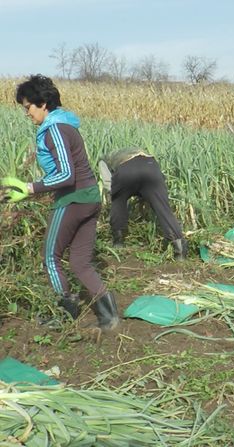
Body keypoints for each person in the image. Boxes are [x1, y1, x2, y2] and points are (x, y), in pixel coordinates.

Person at [2, 75, 120, 331]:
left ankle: (66, 314)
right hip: (89, 197)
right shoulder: (67, 125)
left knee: (50, 258)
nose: (27, 114)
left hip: (72, 200)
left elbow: (66, 174)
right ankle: (109, 317)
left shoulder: (53, 130)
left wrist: (30, 188)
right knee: (80, 263)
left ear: (43, 103)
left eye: (28, 107)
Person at [98, 148, 188, 260]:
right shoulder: (141, 153)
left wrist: (115, 194)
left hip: (126, 170)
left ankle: (118, 243)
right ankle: (179, 252)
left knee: (118, 202)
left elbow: (108, 185)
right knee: (163, 209)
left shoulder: (103, 160)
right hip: (150, 166)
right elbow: (156, 182)